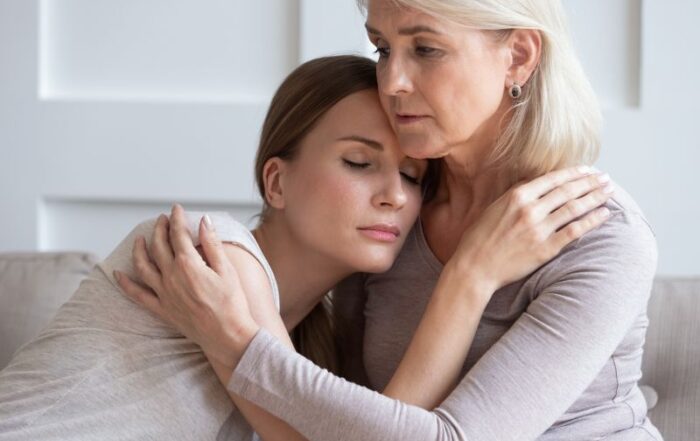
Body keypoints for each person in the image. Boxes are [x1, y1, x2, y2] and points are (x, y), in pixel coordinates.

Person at [118, 0, 662, 440]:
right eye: (382, 49)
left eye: (425, 49)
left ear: (517, 56)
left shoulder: (600, 237)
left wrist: (236, 343)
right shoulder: (394, 214)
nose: (393, 81)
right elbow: (353, 418)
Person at [0, 56, 606, 440]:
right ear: (277, 181)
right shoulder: (207, 254)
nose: (395, 196)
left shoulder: (310, 346)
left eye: (414, 177)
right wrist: (469, 274)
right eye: (359, 162)